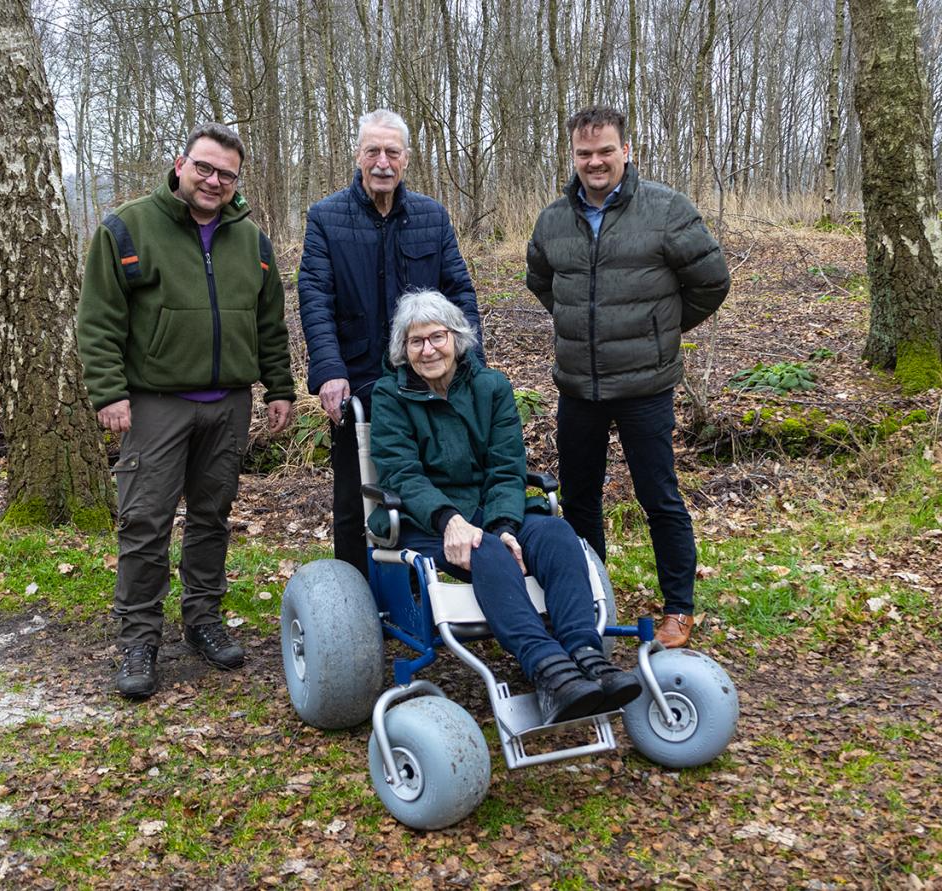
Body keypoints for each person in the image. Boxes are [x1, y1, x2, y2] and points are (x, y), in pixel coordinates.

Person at [77, 122, 295, 699]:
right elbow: (99, 319)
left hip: (228, 404)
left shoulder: (251, 239)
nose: (213, 180)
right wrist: (109, 392)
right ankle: (139, 639)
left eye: (226, 174)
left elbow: (269, 322)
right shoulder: (129, 227)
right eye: (204, 167)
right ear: (180, 163)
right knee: (144, 521)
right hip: (155, 404)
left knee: (211, 516)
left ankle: (202, 619)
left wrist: (280, 388)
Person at [369, 290, 641, 725]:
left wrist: (504, 524)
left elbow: (506, 465)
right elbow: (402, 474)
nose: (428, 349)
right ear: (403, 350)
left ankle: (588, 655)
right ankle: (548, 669)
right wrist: (451, 521)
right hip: (426, 518)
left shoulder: (491, 387)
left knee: (555, 533)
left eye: (436, 337)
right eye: (415, 341)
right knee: (485, 549)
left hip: (492, 508)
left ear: (457, 339)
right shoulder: (389, 396)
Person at [527, 106, 731, 650]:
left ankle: (679, 609)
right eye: (584, 153)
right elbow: (540, 280)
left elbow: (712, 282)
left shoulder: (666, 210)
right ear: (573, 156)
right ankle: (590, 597)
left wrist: (657, 330)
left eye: (605, 151)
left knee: (658, 496)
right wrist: (582, 326)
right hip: (577, 389)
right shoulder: (552, 220)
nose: (595, 162)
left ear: (627, 151)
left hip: (645, 388)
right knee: (579, 500)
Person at [298, 108, 481, 578]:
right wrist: (329, 371)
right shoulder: (326, 217)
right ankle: (357, 596)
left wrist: (471, 364)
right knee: (355, 493)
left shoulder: (430, 216)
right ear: (358, 156)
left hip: (425, 375)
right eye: (373, 151)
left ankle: (422, 585)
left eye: (392, 152)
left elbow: (459, 291)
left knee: (426, 480)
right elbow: (315, 298)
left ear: (406, 159)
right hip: (357, 378)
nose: (382, 161)